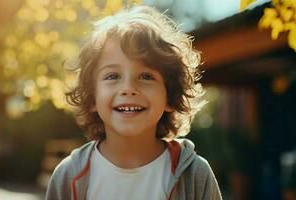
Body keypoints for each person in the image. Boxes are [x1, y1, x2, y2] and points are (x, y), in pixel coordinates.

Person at [46, 5, 222, 200]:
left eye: (146, 76)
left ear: (169, 97)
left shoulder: (195, 175)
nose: (128, 88)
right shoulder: (68, 175)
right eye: (112, 76)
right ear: (92, 97)